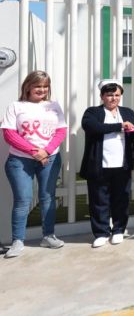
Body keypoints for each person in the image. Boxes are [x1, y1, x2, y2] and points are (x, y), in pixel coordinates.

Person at [2, 71, 67, 258]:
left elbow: (61, 131)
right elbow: (9, 133)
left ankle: (48, 235)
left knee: (48, 197)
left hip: (50, 158)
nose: (42, 90)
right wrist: (34, 151)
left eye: (45, 86)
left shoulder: (53, 106)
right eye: (38, 86)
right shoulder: (16, 106)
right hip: (20, 160)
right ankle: (17, 240)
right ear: (28, 86)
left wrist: (46, 151)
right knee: (23, 200)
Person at [80, 80, 134, 248]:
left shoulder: (127, 112)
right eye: (109, 95)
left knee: (121, 198)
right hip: (99, 165)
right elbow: (93, 127)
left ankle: (118, 230)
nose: (113, 98)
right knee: (99, 199)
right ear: (102, 96)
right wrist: (120, 126)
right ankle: (101, 232)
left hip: (122, 164)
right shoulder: (92, 112)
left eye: (116, 95)